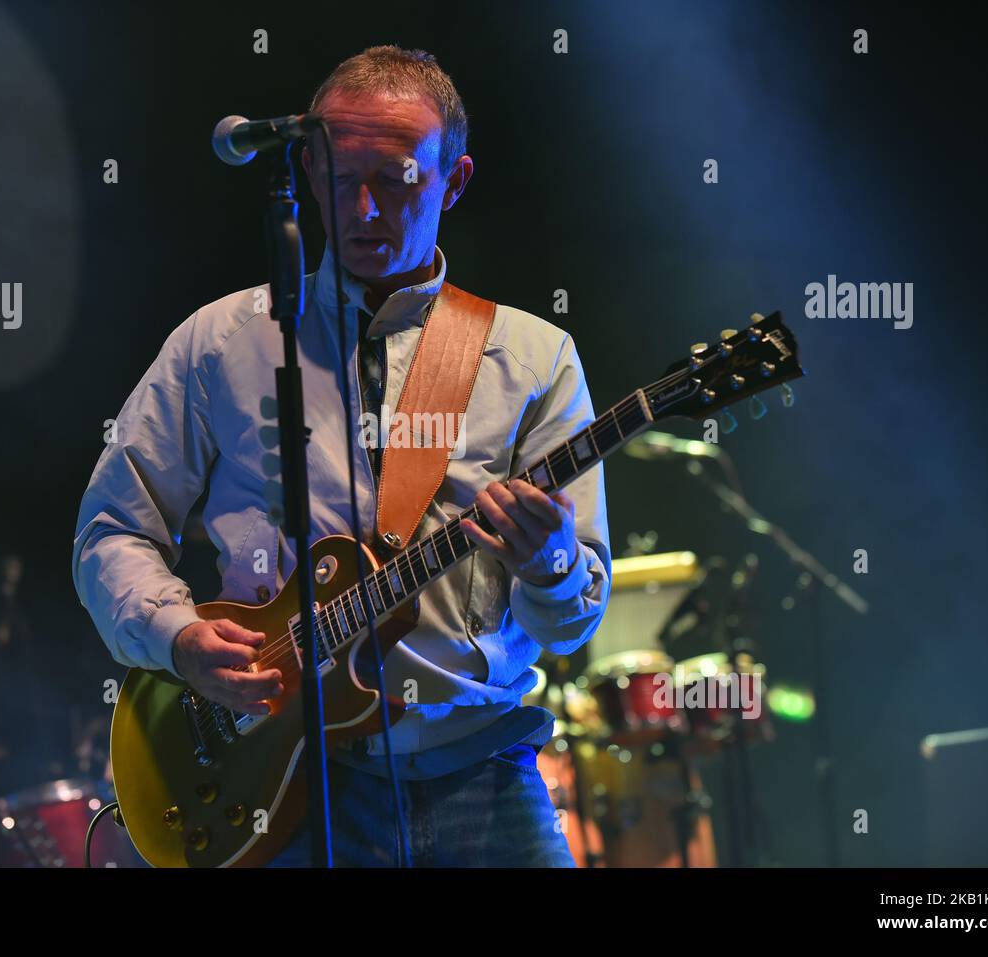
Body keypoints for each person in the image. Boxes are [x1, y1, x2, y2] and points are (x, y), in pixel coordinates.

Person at [73, 45, 611, 866]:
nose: (363, 208)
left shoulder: (535, 358)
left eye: (397, 179)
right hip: (286, 779)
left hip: (485, 773)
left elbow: (572, 623)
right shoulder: (222, 343)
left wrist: (550, 562)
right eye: (339, 176)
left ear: (454, 180)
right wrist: (178, 636)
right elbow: (111, 529)